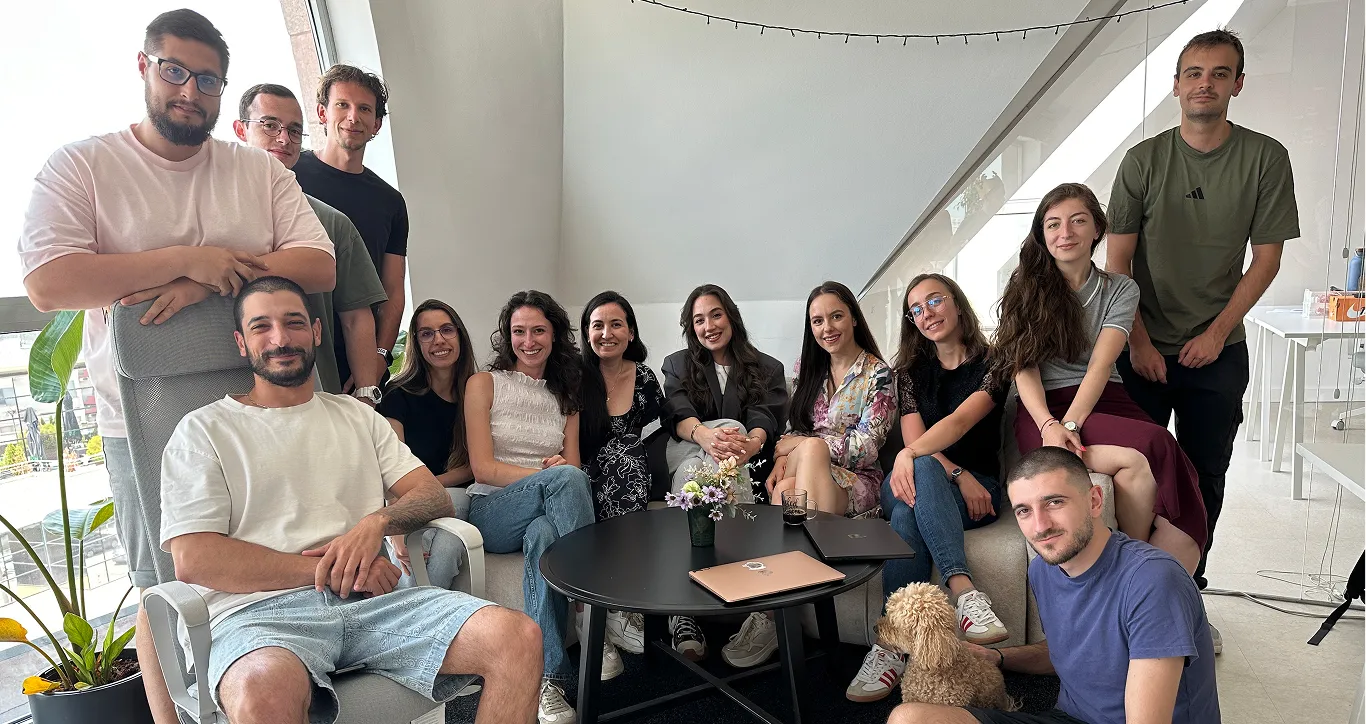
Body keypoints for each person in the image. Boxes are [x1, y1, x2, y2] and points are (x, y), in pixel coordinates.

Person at [16, 11, 335, 722]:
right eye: (175, 71)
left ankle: (279, 688)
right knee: (161, 584)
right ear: (143, 66)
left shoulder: (254, 169)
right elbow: (50, 282)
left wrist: (208, 282)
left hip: (261, 416)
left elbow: (317, 263)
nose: (191, 90)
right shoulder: (84, 164)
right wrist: (190, 258)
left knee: (280, 562)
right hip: (146, 423)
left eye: (210, 79)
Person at [159, 277, 538, 724]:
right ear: (242, 343)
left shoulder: (357, 416)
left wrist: (375, 523)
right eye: (262, 327)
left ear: (317, 334)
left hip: (374, 603)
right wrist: (339, 569)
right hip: (260, 616)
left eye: (294, 323)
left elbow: (431, 494)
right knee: (263, 690)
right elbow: (195, 558)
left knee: (518, 638)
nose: (280, 338)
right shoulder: (203, 430)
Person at [1106, 29, 1298, 591]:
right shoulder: (1143, 160)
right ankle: (1126, 593)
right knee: (1131, 477)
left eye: (1219, 74)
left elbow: (1266, 260)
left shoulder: (1265, 158)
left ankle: (1189, 594)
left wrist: (1217, 333)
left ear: (1238, 84)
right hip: (1140, 348)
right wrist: (1137, 342)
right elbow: (1119, 262)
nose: (1205, 84)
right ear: (1176, 86)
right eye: (1194, 73)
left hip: (1218, 350)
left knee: (1203, 477)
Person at [888, 447, 1220, 724]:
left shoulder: (1153, 581)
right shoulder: (1044, 572)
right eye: (1024, 511)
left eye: (1055, 502)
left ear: (1094, 500)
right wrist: (996, 657)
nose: (1041, 526)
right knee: (909, 719)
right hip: (1068, 717)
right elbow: (1075, 654)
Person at [993, 183, 1206, 580]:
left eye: (1078, 221)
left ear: (1097, 229)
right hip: (1042, 407)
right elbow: (1024, 369)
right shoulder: (1024, 288)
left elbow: (1099, 366)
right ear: (1042, 234)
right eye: (1053, 224)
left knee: (1160, 447)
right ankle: (1138, 569)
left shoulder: (1120, 289)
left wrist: (1071, 425)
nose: (1065, 233)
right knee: (1157, 444)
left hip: (1102, 397)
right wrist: (1050, 427)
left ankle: (1143, 573)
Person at [845, 273, 1009, 704]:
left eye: (934, 301)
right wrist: (936, 465)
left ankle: (889, 649)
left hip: (978, 490)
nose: (926, 314)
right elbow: (920, 445)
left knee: (905, 514)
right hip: (911, 480)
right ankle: (965, 593)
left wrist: (915, 456)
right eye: (915, 309)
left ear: (957, 304)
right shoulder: (911, 373)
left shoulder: (995, 365)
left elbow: (957, 424)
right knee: (921, 473)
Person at [463, 290, 597, 724]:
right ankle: (592, 602)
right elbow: (482, 469)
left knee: (544, 535)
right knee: (567, 481)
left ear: (555, 335)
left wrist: (559, 471)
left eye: (538, 330)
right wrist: (549, 477)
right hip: (492, 511)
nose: (528, 340)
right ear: (507, 336)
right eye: (518, 331)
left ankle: (550, 681)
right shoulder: (484, 383)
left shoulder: (566, 395)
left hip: (542, 508)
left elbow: (572, 464)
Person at [660, 283, 789, 663]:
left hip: (747, 457)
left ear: (730, 315)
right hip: (688, 448)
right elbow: (676, 413)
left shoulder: (767, 367)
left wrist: (746, 444)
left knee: (730, 431)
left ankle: (683, 605)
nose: (709, 326)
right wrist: (706, 435)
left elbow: (765, 416)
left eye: (715, 315)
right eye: (698, 320)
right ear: (690, 327)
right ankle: (730, 601)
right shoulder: (677, 363)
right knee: (697, 464)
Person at [233, 83, 387, 399]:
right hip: (229, 393)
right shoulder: (216, 218)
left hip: (316, 394)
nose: (283, 138)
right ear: (240, 129)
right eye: (270, 125)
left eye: (294, 130)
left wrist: (367, 396)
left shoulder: (332, 223)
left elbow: (357, 317)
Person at [293, 64, 407, 387]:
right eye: (342, 105)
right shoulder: (290, 176)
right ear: (322, 112)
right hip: (293, 344)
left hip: (356, 360)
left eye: (364, 109)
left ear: (377, 124)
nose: (353, 117)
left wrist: (380, 357)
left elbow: (393, 291)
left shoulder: (390, 203)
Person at [768, 280, 893, 517]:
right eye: (818, 321)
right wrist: (782, 458)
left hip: (855, 479)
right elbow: (795, 428)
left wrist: (806, 445)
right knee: (786, 484)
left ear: (853, 318)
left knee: (791, 483)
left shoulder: (879, 375)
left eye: (836, 316)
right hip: (800, 464)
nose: (827, 328)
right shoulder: (804, 367)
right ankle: (807, 553)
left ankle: (794, 552)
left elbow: (866, 449)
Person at [379, 300, 479, 589]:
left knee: (445, 544)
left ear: (459, 335)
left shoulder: (475, 391)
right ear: (417, 342)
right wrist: (396, 528)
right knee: (429, 545)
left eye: (446, 330)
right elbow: (391, 466)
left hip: (460, 494)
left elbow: (471, 466)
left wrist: (426, 488)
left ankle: (418, 618)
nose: (438, 340)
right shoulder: (398, 394)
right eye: (426, 333)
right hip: (405, 496)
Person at [579, 291, 665, 521]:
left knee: (629, 445)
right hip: (579, 480)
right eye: (598, 325)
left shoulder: (644, 378)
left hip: (629, 480)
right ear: (588, 334)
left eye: (616, 325)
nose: (606, 334)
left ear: (631, 333)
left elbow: (656, 436)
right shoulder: (574, 377)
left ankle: (625, 539)